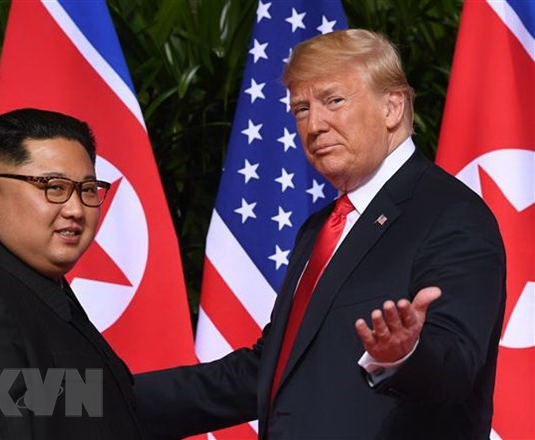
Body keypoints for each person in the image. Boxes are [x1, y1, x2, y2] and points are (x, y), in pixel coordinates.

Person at [135, 29, 506, 439]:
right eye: (301, 109)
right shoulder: (321, 227)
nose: (314, 125)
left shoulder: (451, 215)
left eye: (334, 101)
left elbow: (454, 368)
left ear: (392, 107)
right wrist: (79, 397)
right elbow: (267, 373)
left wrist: (405, 356)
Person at [0, 108, 143, 439]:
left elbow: (96, 404)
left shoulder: (34, 287)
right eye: (53, 186)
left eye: (88, 189)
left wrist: (238, 380)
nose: (75, 209)